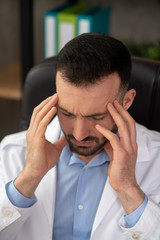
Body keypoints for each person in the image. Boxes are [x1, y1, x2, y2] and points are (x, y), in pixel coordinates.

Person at [0, 33, 160, 240]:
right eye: (67, 113)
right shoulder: (11, 152)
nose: (79, 133)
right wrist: (29, 177)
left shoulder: (157, 159)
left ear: (127, 101)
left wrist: (128, 189)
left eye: (96, 116)